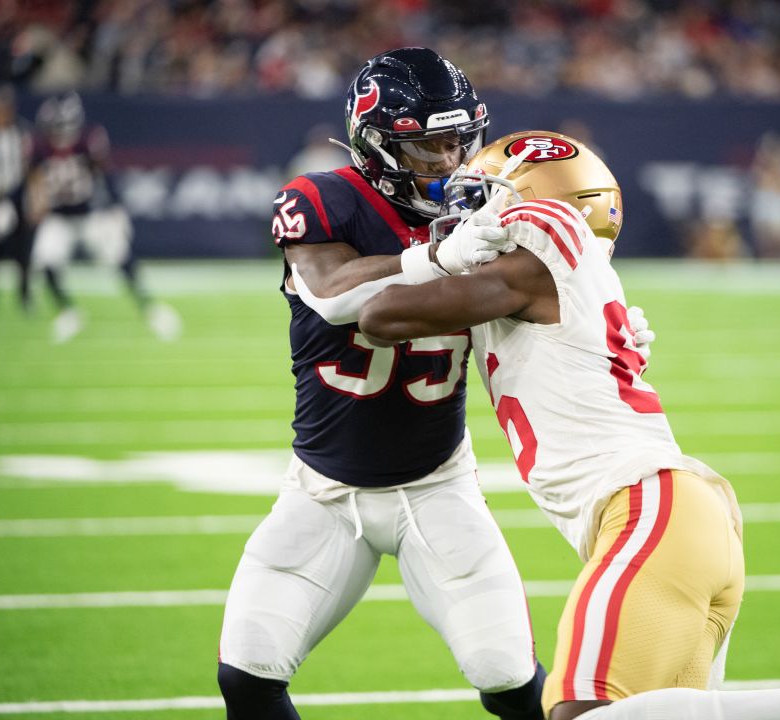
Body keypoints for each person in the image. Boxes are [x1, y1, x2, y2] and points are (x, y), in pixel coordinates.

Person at [349, 131, 780, 720]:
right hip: (685, 522)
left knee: (578, 714)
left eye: (487, 196)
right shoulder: (568, 276)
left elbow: (380, 316)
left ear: (537, 201)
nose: (468, 213)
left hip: (649, 512)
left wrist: (441, 257)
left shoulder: (546, 254)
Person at [216, 48, 551, 720]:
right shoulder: (322, 198)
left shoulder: (496, 212)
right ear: (376, 147)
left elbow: (542, 308)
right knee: (247, 675)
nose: (453, 164)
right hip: (321, 492)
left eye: (463, 142)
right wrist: (434, 256)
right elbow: (335, 295)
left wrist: (606, 329)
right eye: (430, 148)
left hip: (436, 487)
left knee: (509, 678)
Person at [29, 91, 181, 342]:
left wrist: (115, 208)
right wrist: (33, 205)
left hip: (89, 213)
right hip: (58, 216)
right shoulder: (39, 146)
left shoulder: (88, 140)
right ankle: (68, 312)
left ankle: (150, 308)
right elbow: (34, 179)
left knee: (120, 255)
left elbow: (105, 174)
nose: (58, 134)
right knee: (46, 258)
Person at [0, 84, 38, 311]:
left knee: (23, 249)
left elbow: (30, 167)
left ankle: (24, 295)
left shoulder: (22, 133)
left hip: (15, 197)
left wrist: (33, 197)